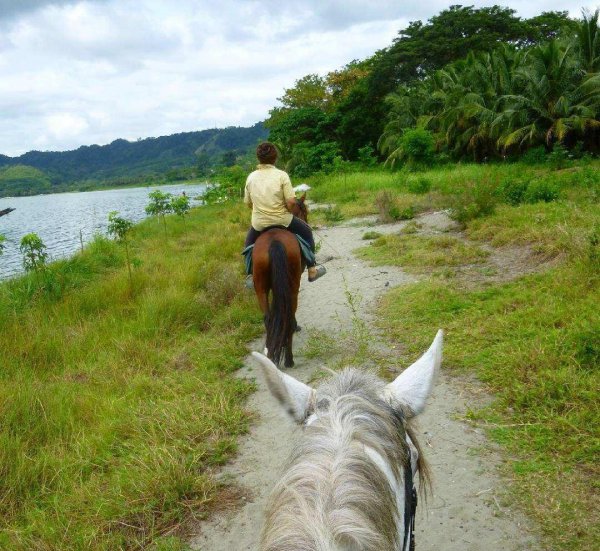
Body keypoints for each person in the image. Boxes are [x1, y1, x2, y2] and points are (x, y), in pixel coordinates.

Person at [244, 142, 326, 283]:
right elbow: (291, 202)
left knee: (248, 244)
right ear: (275, 158)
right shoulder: (282, 175)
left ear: (259, 158)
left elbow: (248, 203)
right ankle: (312, 269)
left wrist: (260, 211)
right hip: (283, 220)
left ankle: (250, 275)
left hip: (259, 223)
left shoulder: (251, 177)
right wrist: (287, 210)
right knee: (307, 232)